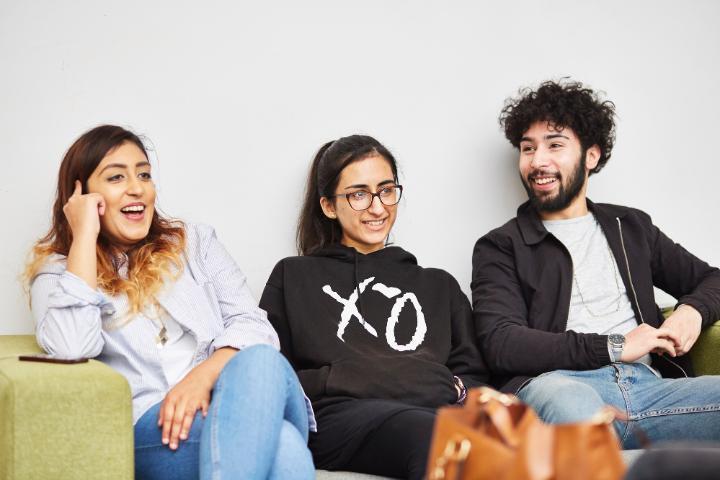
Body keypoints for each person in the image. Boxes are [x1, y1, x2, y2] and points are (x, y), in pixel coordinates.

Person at [25, 125, 315, 480]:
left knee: (260, 360)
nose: (137, 188)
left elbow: (253, 324)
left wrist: (200, 379)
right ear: (82, 197)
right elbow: (71, 347)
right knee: (283, 445)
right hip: (158, 426)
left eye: (144, 174)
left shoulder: (194, 242)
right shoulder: (60, 275)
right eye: (116, 177)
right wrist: (85, 235)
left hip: (239, 392)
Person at [471, 79, 720, 448]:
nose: (538, 161)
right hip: (559, 387)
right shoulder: (501, 246)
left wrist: (693, 311)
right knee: (573, 408)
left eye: (555, 145)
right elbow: (502, 342)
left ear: (591, 155)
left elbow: (711, 279)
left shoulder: (631, 227)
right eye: (528, 148)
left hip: (652, 390)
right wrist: (615, 346)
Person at [259, 135, 488, 479]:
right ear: (328, 206)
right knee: (436, 437)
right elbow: (271, 376)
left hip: (432, 413)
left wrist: (451, 388)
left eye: (386, 190)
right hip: (341, 420)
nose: (378, 207)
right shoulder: (293, 276)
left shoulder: (439, 285)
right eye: (359, 194)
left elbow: (472, 380)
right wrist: (341, 378)